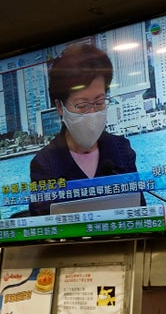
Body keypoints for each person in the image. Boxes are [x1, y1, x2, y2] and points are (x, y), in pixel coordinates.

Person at [29, 43, 143, 215]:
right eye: (82, 105)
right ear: (60, 107)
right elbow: (42, 229)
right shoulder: (45, 164)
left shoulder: (122, 150)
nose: (92, 113)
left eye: (99, 102)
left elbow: (141, 213)